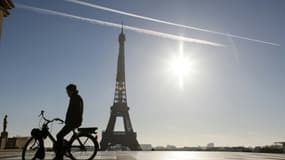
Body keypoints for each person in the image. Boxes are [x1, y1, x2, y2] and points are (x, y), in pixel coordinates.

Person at [54, 84, 83, 160]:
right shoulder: (75, 97)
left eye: (67, 91)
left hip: (73, 122)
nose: (67, 93)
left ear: (71, 91)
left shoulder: (75, 98)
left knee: (59, 136)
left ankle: (59, 156)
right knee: (60, 135)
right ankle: (63, 149)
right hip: (73, 121)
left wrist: (69, 120)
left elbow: (75, 111)